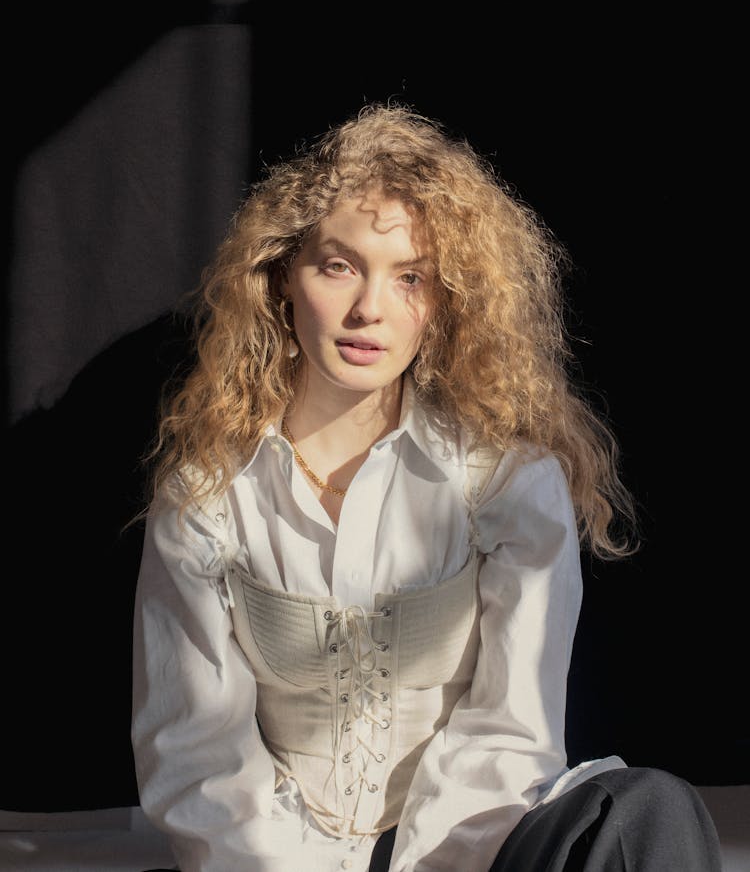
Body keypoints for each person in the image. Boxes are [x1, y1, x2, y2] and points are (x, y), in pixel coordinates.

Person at [131, 104, 722, 871]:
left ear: (443, 303)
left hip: (470, 848)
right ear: (281, 278)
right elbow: (194, 754)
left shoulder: (509, 480)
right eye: (339, 265)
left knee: (651, 811)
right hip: (272, 860)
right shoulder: (209, 495)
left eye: (410, 277)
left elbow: (513, 731)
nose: (369, 309)